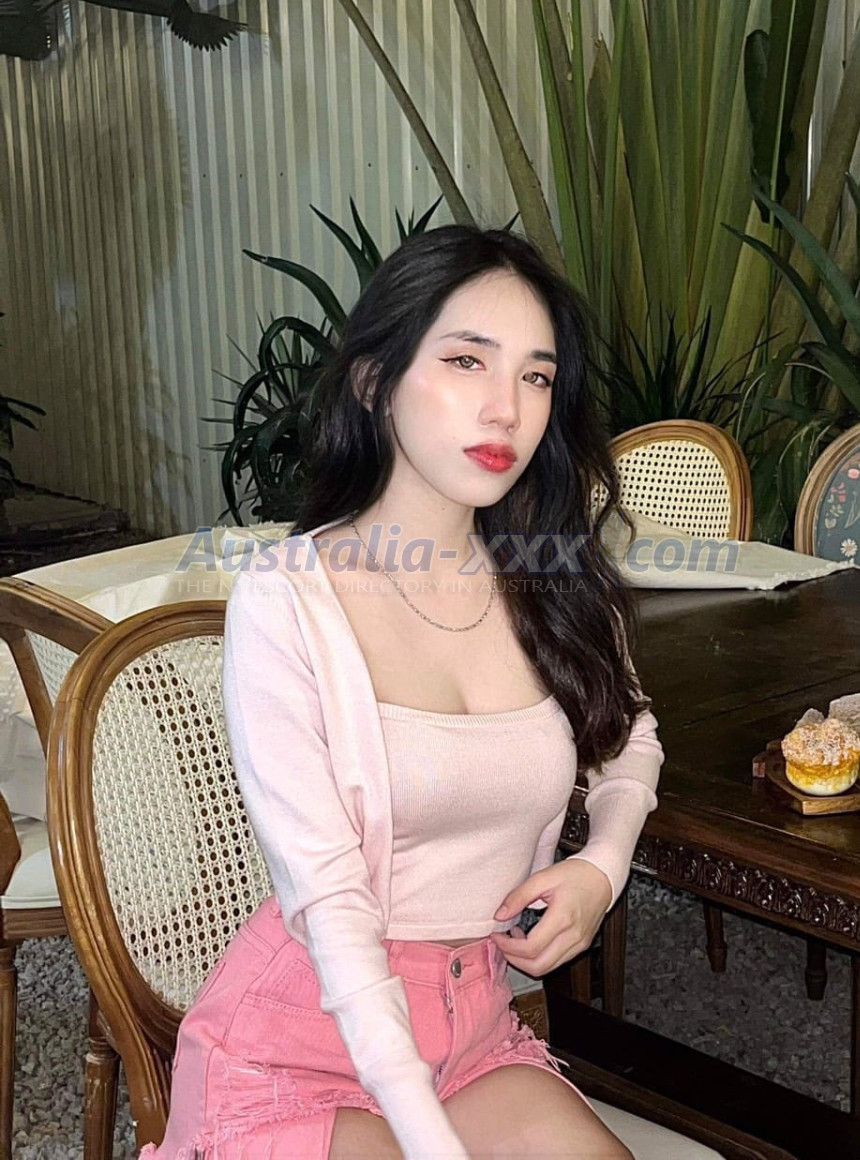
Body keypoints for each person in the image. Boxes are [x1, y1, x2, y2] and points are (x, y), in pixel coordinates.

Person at [141, 224, 664, 1159]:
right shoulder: (288, 601)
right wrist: (428, 1142)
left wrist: (602, 867)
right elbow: (330, 900)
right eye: (466, 361)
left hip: (469, 1035)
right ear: (375, 381)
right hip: (303, 1040)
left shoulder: (547, 574)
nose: (505, 409)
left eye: (536, 376)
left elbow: (632, 737)